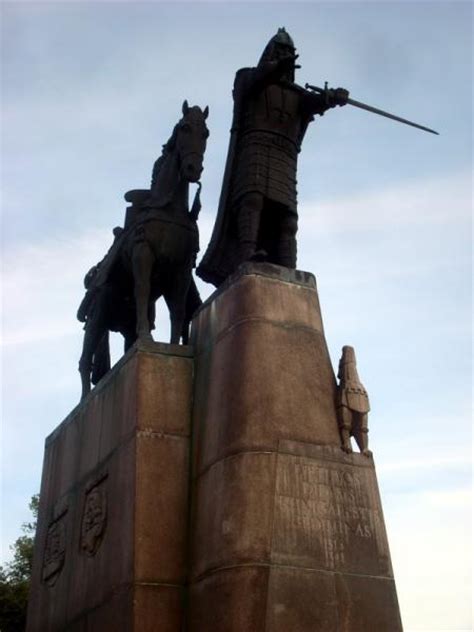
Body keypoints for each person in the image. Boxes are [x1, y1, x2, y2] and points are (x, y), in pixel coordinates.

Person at [197, 28, 349, 286]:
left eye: (289, 54)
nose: (285, 58)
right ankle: (246, 253)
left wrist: (331, 98)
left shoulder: (297, 95)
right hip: (255, 150)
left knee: (288, 218)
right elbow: (255, 80)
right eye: (280, 52)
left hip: (284, 156)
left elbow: (313, 104)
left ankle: (288, 267)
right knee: (252, 200)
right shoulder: (246, 78)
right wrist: (276, 67)